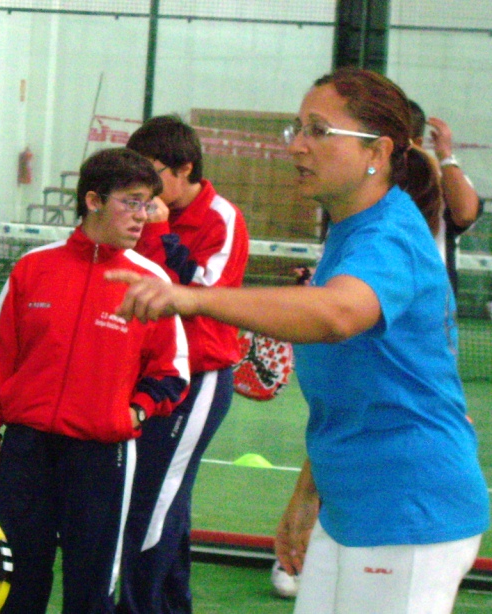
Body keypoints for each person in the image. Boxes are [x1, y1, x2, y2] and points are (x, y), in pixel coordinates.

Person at [107, 67, 489, 613]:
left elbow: (337, 314)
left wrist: (191, 297)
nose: (298, 147)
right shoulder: (349, 229)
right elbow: (351, 390)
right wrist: (308, 495)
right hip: (350, 502)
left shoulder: (390, 236)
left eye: (318, 131)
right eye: (297, 129)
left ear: (377, 151)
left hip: (409, 506)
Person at [0, 147, 190, 613]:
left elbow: (172, 374)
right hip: (26, 450)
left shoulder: (151, 282)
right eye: (131, 201)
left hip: (101, 456)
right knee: (15, 585)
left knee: (90, 589)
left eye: (149, 203)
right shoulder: (33, 268)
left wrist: (130, 412)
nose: (143, 216)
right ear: (93, 200)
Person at [117, 115, 249, 613]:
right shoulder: (143, 213)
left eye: (154, 176)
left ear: (185, 168)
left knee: (153, 501)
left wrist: (160, 227)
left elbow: (205, 294)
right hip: (150, 375)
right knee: (165, 501)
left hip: (200, 378)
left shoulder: (221, 217)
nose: (145, 189)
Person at [408, 99, 483, 296]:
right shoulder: (363, 179)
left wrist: (445, 155)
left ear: (416, 143)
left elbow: (465, 215)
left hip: (430, 297)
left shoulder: (444, 179)